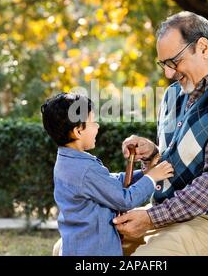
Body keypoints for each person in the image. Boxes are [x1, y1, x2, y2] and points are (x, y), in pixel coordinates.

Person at [114, 11, 208, 256]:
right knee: (74, 249)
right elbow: (176, 168)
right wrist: (153, 155)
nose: (168, 73)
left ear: (203, 47)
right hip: (169, 221)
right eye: (164, 64)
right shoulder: (173, 95)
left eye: (174, 62)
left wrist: (150, 218)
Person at [41, 93, 174, 256]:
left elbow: (108, 183)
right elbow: (125, 200)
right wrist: (152, 178)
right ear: (78, 131)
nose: (97, 126)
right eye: (93, 122)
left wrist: (144, 173)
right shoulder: (85, 169)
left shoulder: (68, 161)